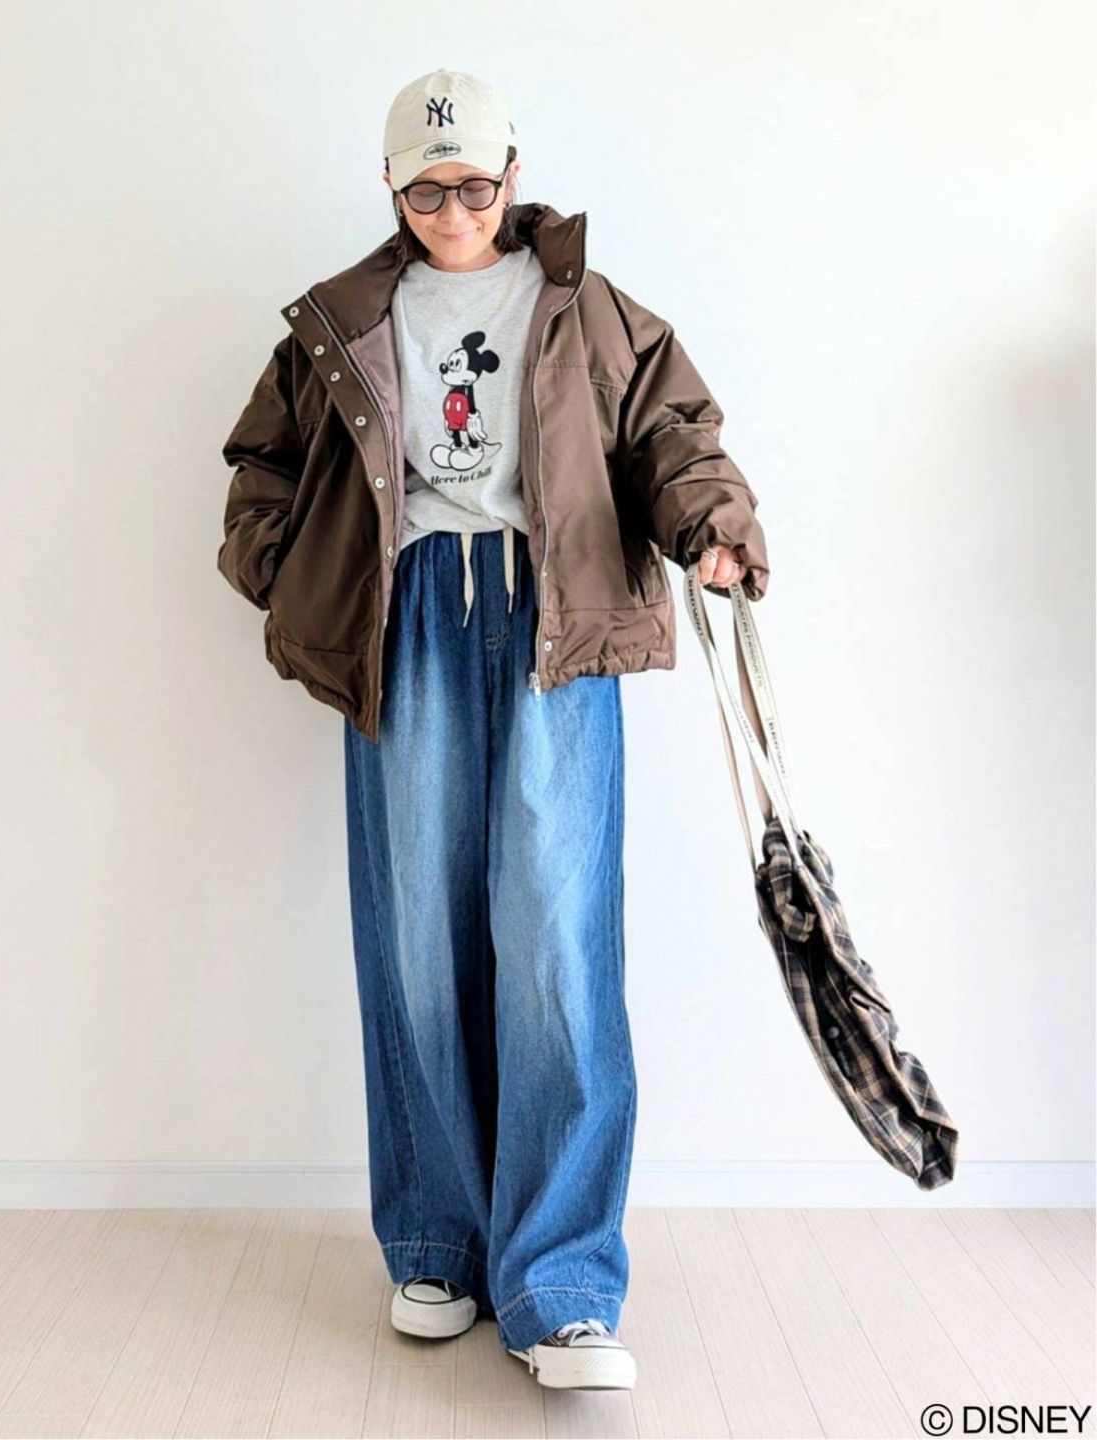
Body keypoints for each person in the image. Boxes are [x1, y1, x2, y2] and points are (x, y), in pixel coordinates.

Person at [216, 68, 769, 1392]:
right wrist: (287, 576)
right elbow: (263, 468)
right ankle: (436, 1244)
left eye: (474, 185)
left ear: (514, 176)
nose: (454, 212)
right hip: (404, 621)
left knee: (556, 941)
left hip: (551, 624)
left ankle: (562, 1280)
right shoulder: (344, 319)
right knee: (416, 936)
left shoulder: (586, 308)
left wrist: (713, 529)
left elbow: (672, 436)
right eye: (426, 190)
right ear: (391, 188)